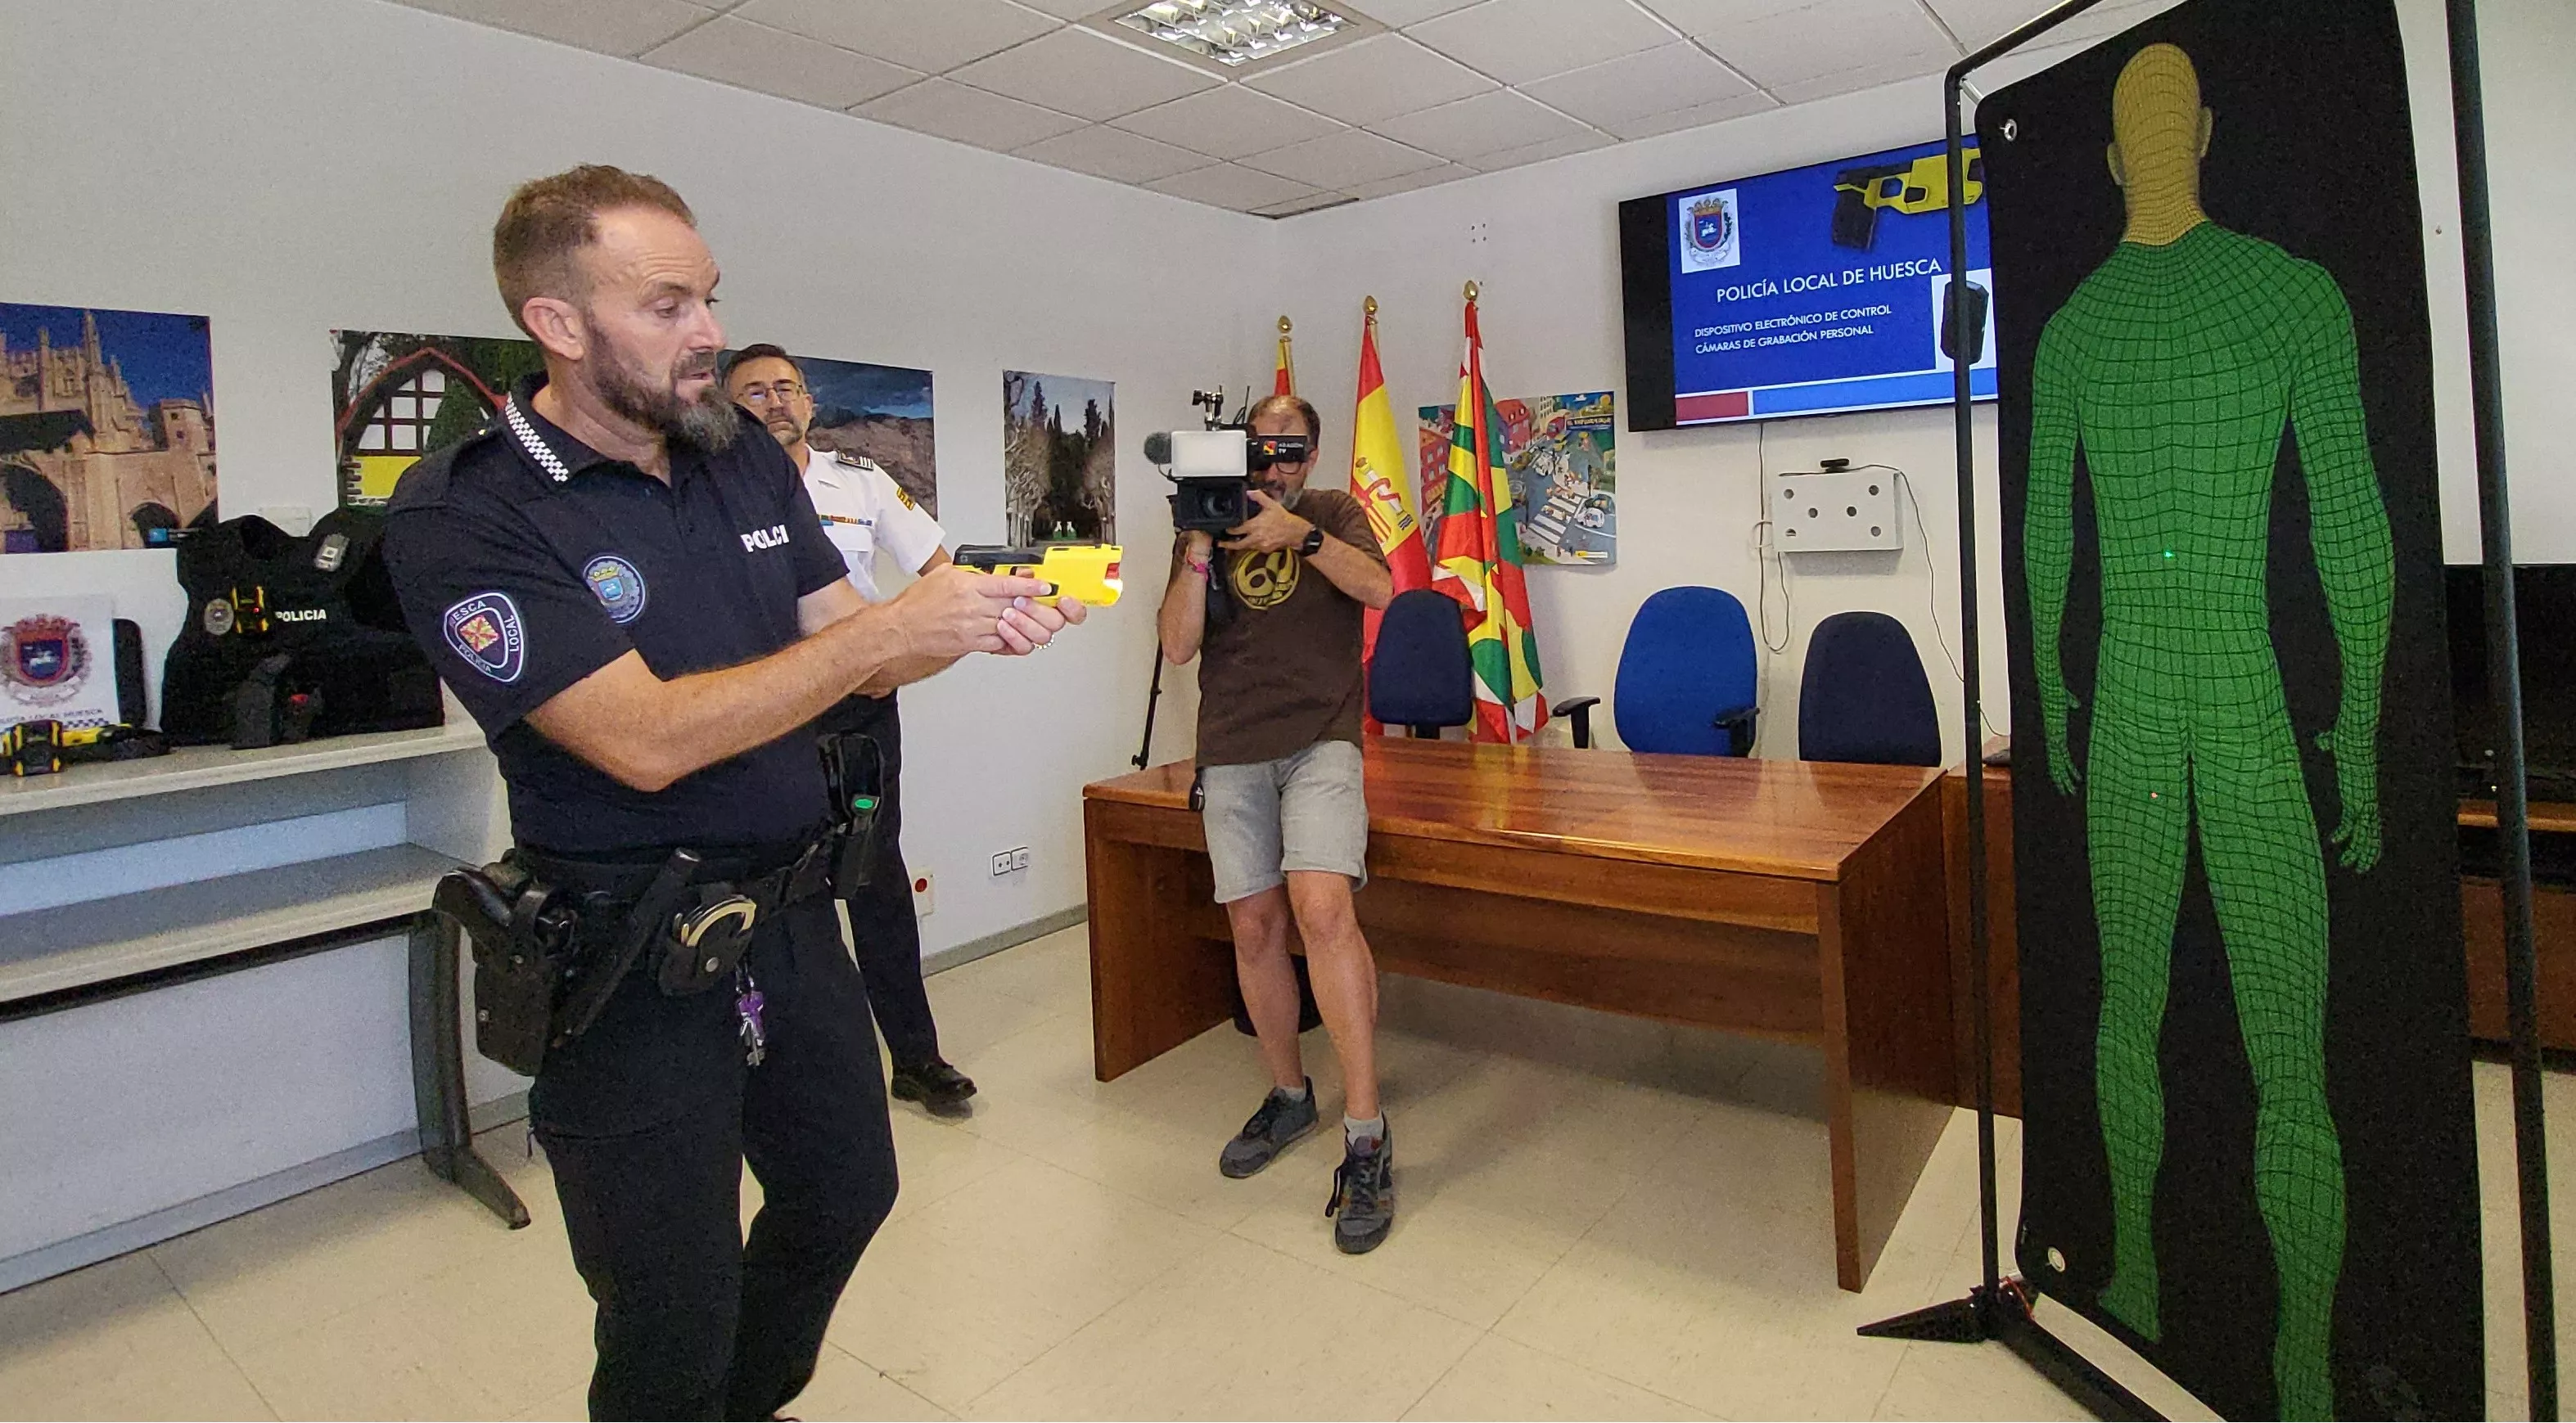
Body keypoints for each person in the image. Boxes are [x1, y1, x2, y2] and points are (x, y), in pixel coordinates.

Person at [380, 164, 1081, 1420]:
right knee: (669, 1298)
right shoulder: (467, 512)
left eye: (708, 299)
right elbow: (641, 738)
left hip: (788, 915)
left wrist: (968, 618)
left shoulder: (735, 456)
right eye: (666, 306)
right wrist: (880, 642)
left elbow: (847, 639)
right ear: (556, 323)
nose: (707, 332)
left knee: (844, 1190)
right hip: (625, 954)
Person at [2026, 43, 2389, 1420]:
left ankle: (2137, 1283)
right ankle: (2297, 1359)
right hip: (2236, 684)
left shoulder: (2072, 329)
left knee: (2130, 1008)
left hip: (2126, 692)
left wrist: (2054, 685)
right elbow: (2351, 525)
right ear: (2208, 137)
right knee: (2284, 1055)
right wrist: (2356, 717)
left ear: (2120, 160)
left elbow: (2049, 534)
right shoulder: (2292, 295)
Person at [1156, 393, 1397, 1253]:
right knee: (1253, 923)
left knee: (1323, 906)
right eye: (1262, 451)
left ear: (1314, 453)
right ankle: (1291, 1094)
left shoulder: (1333, 510)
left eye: (1292, 451)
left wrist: (1305, 537)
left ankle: (1365, 1131)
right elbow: (1178, 645)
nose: (1275, 466)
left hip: (1322, 740)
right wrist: (1195, 543)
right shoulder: (1207, 524)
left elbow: (1384, 587)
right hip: (1231, 746)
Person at [723, 343, 976, 1117]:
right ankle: (771, 1064)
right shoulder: (710, 497)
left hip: (860, 703)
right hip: (760, 707)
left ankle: (914, 1057)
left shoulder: (860, 483)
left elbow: (941, 572)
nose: (775, 403)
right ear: (726, 408)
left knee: (874, 877)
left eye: (787, 389)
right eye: (755, 391)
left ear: (810, 402)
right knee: (766, 882)